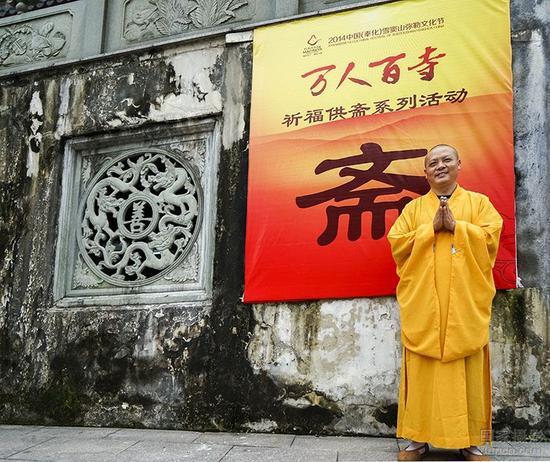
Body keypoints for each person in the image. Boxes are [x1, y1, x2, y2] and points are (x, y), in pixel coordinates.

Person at [387, 144, 503, 461]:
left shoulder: (480, 204)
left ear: (458, 165)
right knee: (422, 368)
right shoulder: (412, 211)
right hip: (424, 305)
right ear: (425, 172)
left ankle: (471, 442)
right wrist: (430, 229)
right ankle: (416, 440)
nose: (439, 166)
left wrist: (458, 228)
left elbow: (492, 236)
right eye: (432, 162)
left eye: (446, 160)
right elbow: (397, 243)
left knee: (468, 367)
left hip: (464, 305)